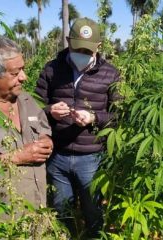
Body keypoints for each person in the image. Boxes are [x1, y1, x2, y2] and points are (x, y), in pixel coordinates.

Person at [35, 17, 120, 237]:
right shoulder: (52, 69)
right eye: (78, 48)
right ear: (68, 42)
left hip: (92, 157)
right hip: (58, 155)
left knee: (93, 213)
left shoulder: (110, 74)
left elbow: (120, 115)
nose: (82, 53)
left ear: (99, 47)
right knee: (62, 212)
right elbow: (33, 105)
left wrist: (94, 117)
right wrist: (49, 110)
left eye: (88, 50)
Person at [0, 36, 53, 208]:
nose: (24, 77)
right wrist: (16, 157)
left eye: (23, 69)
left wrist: (46, 141)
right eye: (15, 73)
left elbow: (44, 129)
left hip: (37, 214)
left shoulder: (26, 100)